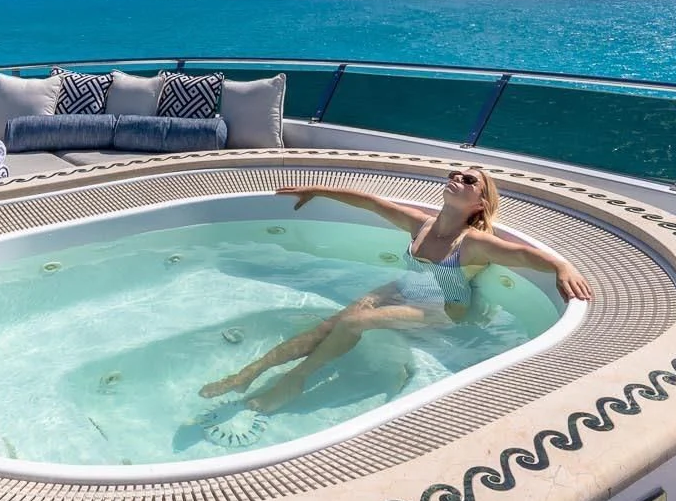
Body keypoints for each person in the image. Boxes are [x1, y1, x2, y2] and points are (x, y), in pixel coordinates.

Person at [200, 167, 594, 414]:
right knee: (327, 324)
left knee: (354, 322)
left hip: (440, 311)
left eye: (469, 180)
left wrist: (562, 265)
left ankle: (296, 379)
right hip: (404, 290)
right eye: (456, 175)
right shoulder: (420, 224)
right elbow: (371, 203)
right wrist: (319, 189)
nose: (457, 179)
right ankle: (249, 373)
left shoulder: (471, 242)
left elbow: (525, 255)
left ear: (479, 203)